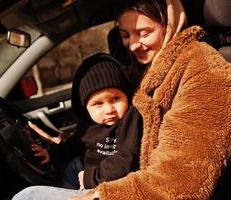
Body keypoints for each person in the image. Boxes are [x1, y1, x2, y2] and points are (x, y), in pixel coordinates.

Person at [12, 0, 231, 199]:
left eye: (144, 33)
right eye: (124, 35)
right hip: (123, 182)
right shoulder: (141, 70)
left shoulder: (205, 71)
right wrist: (67, 144)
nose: (132, 45)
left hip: (147, 193)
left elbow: (183, 178)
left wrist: (99, 194)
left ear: (168, 23)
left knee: (29, 196)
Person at [25, 53, 143, 190]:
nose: (109, 109)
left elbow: (125, 159)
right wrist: (51, 154)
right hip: (79, 166)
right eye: (98, 104)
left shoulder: (130, 120)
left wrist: (90, 178)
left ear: (127, 96)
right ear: (86, 107)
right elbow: (75, 143)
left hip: (100, 177)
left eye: (115, 99)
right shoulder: (88, 123)